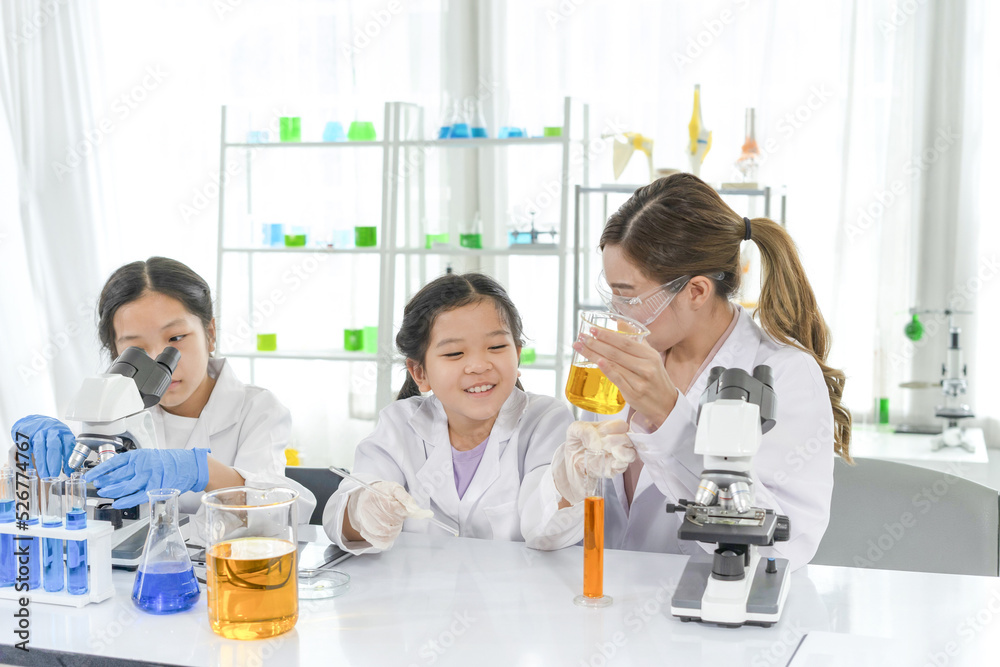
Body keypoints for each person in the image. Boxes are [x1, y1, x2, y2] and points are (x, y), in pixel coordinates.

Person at [529, 173, 852, 570]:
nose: (615, 313)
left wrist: (668, 416)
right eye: (610, 293)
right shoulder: (626, 363)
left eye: (627, 296)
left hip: (707, 619)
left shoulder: (783, 374)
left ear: (696, 291)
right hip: (606, 604)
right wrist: (567, 485)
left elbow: (782, 548)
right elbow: (560, 535)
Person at [10, 257, 315, 519]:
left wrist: (202, 471)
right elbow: (46, 502)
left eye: (176, 338)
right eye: (136, 349)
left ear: (210, 333)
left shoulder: (258, 410)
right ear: (116, 353)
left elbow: (280, 511)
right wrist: (28, 455)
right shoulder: (111, 408)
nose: (158, 363)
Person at [323, 272, 575, 554]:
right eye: (455, 353)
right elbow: (340, 521)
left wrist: (574, 479)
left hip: (515, 595)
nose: (479, 366)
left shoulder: (545, 421)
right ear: (420, 372)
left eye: (496, 347)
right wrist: (364, 510)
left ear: (516, 355)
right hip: (417, 594)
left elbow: (547, 531)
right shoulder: (400, 424)